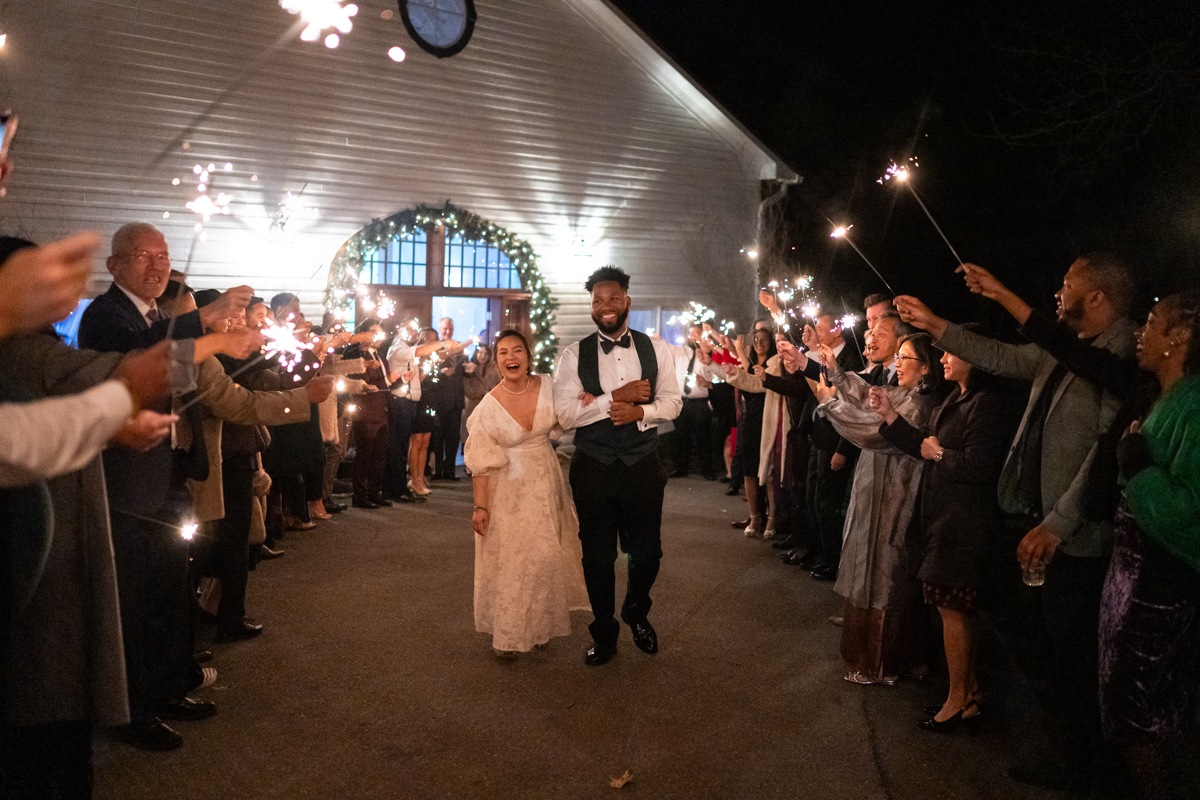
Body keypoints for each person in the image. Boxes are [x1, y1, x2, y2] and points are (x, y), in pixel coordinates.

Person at [895, 253, 1138, 794]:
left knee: (1073, 656)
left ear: (1097, 298)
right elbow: (1000, 355)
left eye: (1069, 284)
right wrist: (936, 325)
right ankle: (1069, 755)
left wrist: (1058, 522)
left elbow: (1104, 455)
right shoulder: (1058, 353)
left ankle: (1095, 769)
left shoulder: (1119, 353)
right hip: (1028, 520)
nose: (1059, 291)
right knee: (1040, 649)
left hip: (1071, 536)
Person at [955, 262, 1200, 797]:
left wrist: (1133, 468)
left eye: (1155, 320)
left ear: (1179, 335)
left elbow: (1181, 513)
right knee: (1099, 686)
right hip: (1127, 573)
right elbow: (1070, 356)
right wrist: (990, 299)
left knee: (1133, 705)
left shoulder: (1187, 403)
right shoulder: (1145, 388)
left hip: (1153, 583)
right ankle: (1087, 768)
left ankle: (1105, 777)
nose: (1143, 330)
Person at [872, 328, 1016, 731]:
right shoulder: (958, 397)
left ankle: (958, 699)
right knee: (952, 610)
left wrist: (938, 452)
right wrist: (889, 417)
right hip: (945, 519)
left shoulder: (986, 403)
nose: (944, 358)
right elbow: (923, 444)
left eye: (953, 351)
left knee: (953, 611)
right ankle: (966, 693)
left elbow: (977, 466)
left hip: (963, 523)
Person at [554, 265, 681, 665]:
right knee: (597, 556)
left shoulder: (657, 350)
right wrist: (616, 397)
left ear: (627, 300)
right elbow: (567, 415)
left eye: (612, 299)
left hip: (643, 463)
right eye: (597, 301)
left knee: (648, 553)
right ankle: (604, 630)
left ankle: (636, 611)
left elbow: (673, 403)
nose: (605, 307)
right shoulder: (573, 356)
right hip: (593, 466)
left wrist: (639, 411)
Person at [812, 330, 941, 685]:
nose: (897, 364)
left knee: (888, 573)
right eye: (897, 358)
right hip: (877, 490)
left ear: (926, 368)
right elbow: (870, 399)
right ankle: (883, 659)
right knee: (872, 569)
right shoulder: (902, 392)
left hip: (897, 495)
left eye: (905, 359)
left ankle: (883, 663)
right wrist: (835, 374)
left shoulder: (919, 403)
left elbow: (871, 429)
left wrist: (829, 401)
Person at [465, 330, 589, 657]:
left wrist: (585, 401)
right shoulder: (489, 405)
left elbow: (568, 416)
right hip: (506, 492)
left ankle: (541, 624)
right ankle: (508, 634)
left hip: (547, 483)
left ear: (528, 356)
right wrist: (481, 507)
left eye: (517, 350)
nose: (511, 357)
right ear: (497, 360)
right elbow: (479, 463)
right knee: (513, 559)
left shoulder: (549, 386)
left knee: (545, 556)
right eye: (503, 352)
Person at [725, 328, 789, 538]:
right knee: (749, 470)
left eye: (765, 340)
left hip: (768, 419)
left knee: (769, 473)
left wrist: (740, 357)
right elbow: (749, 381)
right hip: (749, 421)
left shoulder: (776, 363)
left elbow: (758, 383)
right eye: (756, 340)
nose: (760, 343)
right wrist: (734, 372)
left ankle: (771, 518)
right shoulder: (751, 360)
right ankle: (755, 516)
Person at [664, 325, 721, 479]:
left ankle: (707, 470)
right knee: (681, 436)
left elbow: (718, 377)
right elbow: (664, 347)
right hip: (682, 402)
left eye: (696, 334)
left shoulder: (708, 357)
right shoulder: (681, 352)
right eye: (690, 334)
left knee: (703, 437)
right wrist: (656, 338)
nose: (692, 337)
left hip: (700, 403)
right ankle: (681, 468)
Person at [431, 316, 467, 480]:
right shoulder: (433, 348)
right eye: (445, 329)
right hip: (438, 399)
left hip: (455, 400)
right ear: (439, 329)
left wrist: (469, 369)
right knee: (438, 437)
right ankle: (438, 471)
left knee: (453, 437)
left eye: (451, 329)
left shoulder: (459, 347)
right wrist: (441, 373)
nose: (448, 332)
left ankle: (450, 471)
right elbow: (427, 374)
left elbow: (464, 371)